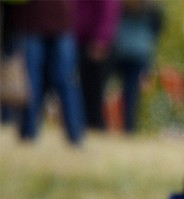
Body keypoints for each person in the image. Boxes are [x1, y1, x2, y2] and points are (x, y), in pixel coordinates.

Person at [6, 0, 86, 145]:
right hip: (29, 22)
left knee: (65, 81)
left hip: (59, 22)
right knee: (30, 83)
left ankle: (75, 135)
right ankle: (28, 133)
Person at [109, 0, 164, 134]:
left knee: (105, 88)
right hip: (140, 52)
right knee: (131, 94)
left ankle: (99, 122)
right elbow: (158, 28)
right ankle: (129, 128)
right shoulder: (152, 7)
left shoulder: (120, 5)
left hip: (119, 48)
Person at [74, 0, 120, 132]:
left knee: (94, 90)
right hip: (79, 41)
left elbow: (109, 11)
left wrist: (101, 39)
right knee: (84, 87)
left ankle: (95, 126)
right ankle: (86, 125)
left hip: (97, 44)